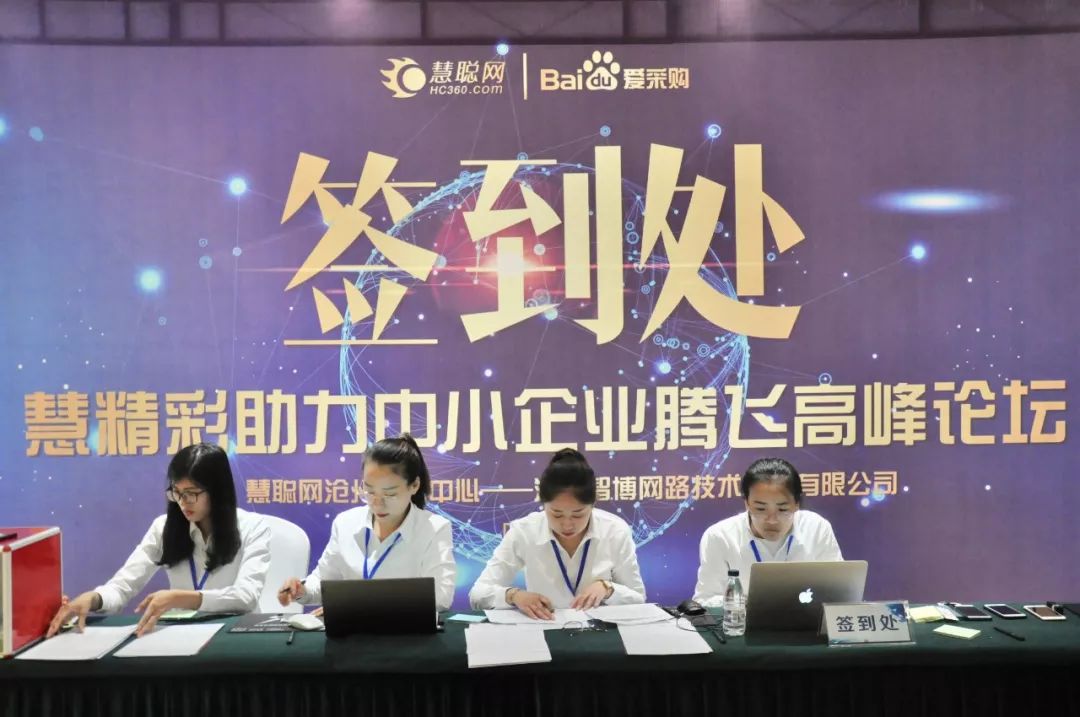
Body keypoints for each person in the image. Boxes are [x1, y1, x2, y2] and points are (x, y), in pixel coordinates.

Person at [46, 443, 271, 637]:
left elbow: (246, 597)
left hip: (236, 634)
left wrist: (179, 598)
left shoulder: (253, 527)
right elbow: (123, 587)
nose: (183, 502)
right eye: (176, 492)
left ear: (217, 491)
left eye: (191, 493)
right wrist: (94, 598)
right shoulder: (163, 528)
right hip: (182, 636)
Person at [278, 434, 456, 611]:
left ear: (414, 485)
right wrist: (301, 590)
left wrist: (358, 603)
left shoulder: (434, 529)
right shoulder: (346, 523)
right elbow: (322, 581)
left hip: (406, 628)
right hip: (351, 628)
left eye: (390, 494)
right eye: (369, 492)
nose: (377, 503)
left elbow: (440, 598)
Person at [469, 448, 645, 617]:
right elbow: (477, 594)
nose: (567, 524)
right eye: (556, 514)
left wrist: (608, 589)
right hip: (543, 628)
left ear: (593, 504)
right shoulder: (524, 531)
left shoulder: (615, 531)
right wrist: (513, 596)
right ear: (543, 504)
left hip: (599, 631)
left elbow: (638, 598)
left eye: (578, 514)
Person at [693, 457, 842, 605]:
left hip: (808, 619)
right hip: (743, 620)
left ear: (797, 504)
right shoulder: (720, 537)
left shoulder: (816, 529)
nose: (772, 520)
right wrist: (747, 604)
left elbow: (839, 591)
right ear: (747, 503)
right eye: (760, 509)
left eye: (782, 509)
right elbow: (705, 600)